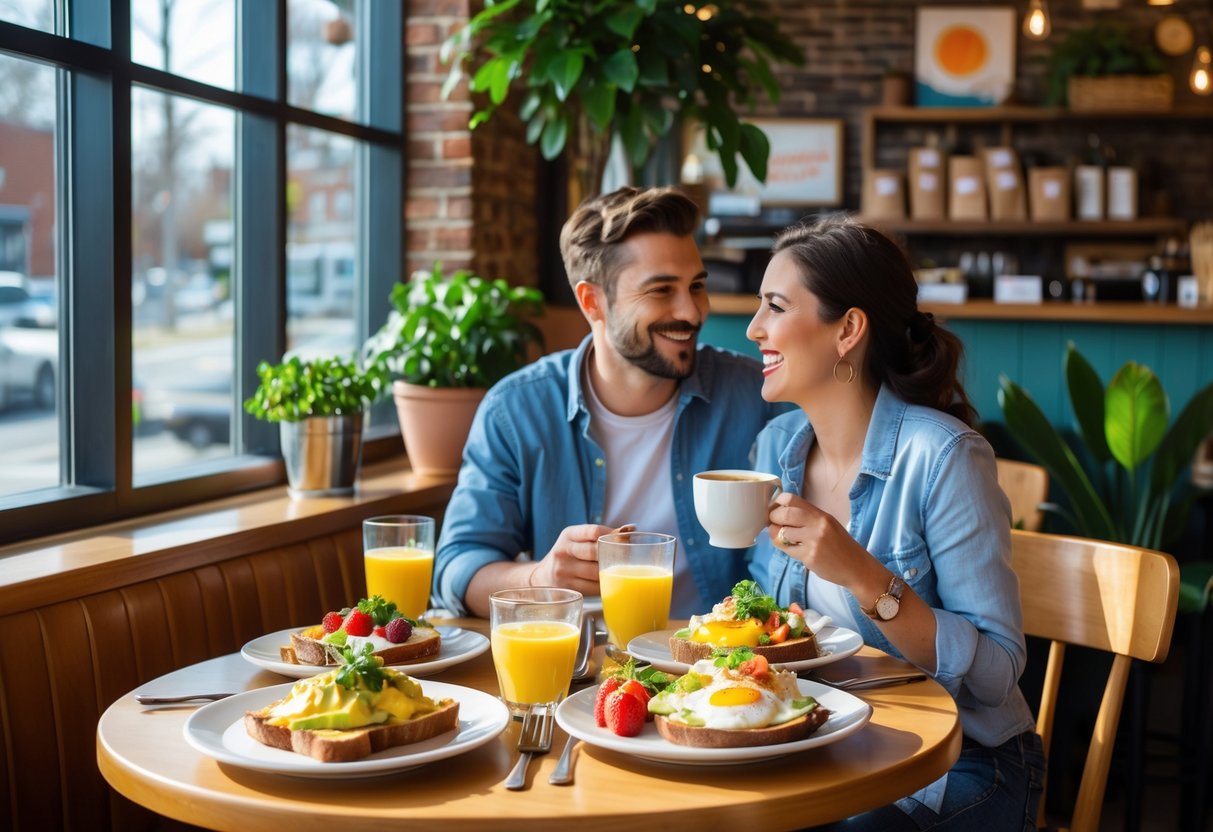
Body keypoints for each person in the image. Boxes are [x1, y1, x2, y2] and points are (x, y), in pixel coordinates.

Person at [745, 216, 1043, 830]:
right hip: (835, 744)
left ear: (848, 329)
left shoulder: (944, 458)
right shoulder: (777, 448)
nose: (755, 329)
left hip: (965, 760)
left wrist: (859, 573)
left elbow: (997, 670)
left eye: (775, 307)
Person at [433, 186, 783, 618]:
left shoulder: (758, 395)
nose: (691, 312)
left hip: (722, 669)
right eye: (661, 291)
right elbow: (457, 568)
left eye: (696, 286)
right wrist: (539, 580)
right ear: (592, 301)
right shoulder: (516, 411)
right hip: (581, 666)